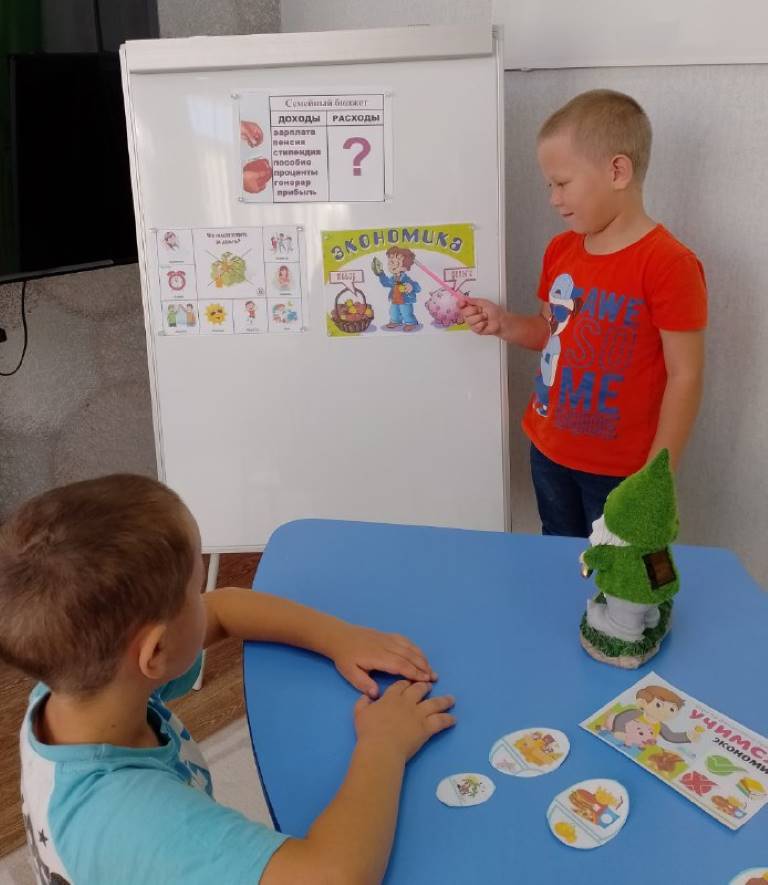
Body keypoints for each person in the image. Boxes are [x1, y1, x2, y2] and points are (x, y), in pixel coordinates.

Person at [0, 475, 455, 884]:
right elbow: (334, 877)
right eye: (195, 590)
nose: (207, 599)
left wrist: (338, 637)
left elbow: (225, 608)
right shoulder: (138, 821)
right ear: (155, 652)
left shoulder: (81, 690)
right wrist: (383, 745)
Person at [462, 90, 707, 537]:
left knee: (618, 565)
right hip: (548, 450)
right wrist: (504, 323)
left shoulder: (669, 264)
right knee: (559, 552)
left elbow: (685, 376)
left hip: (622, 470)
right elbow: (550, 331)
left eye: (562, 183)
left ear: (617, 171)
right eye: (549, 186)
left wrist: (658, 473)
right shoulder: (561, 250)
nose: (553, 199)